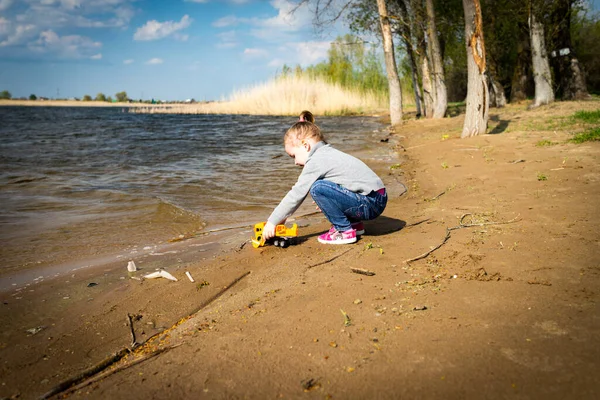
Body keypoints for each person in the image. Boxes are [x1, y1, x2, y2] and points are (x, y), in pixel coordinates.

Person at [262, 121, 387, 245]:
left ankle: (344, 231)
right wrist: (330, 201)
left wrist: (272, 222)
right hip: (376, 199)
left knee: (317, 188)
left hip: (370, 203)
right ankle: (354, 224)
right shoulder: (327, 153)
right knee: (323, 188)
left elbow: (296, 193)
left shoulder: (316, 161)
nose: (295, 162)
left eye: (293, 156)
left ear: (305, 145)